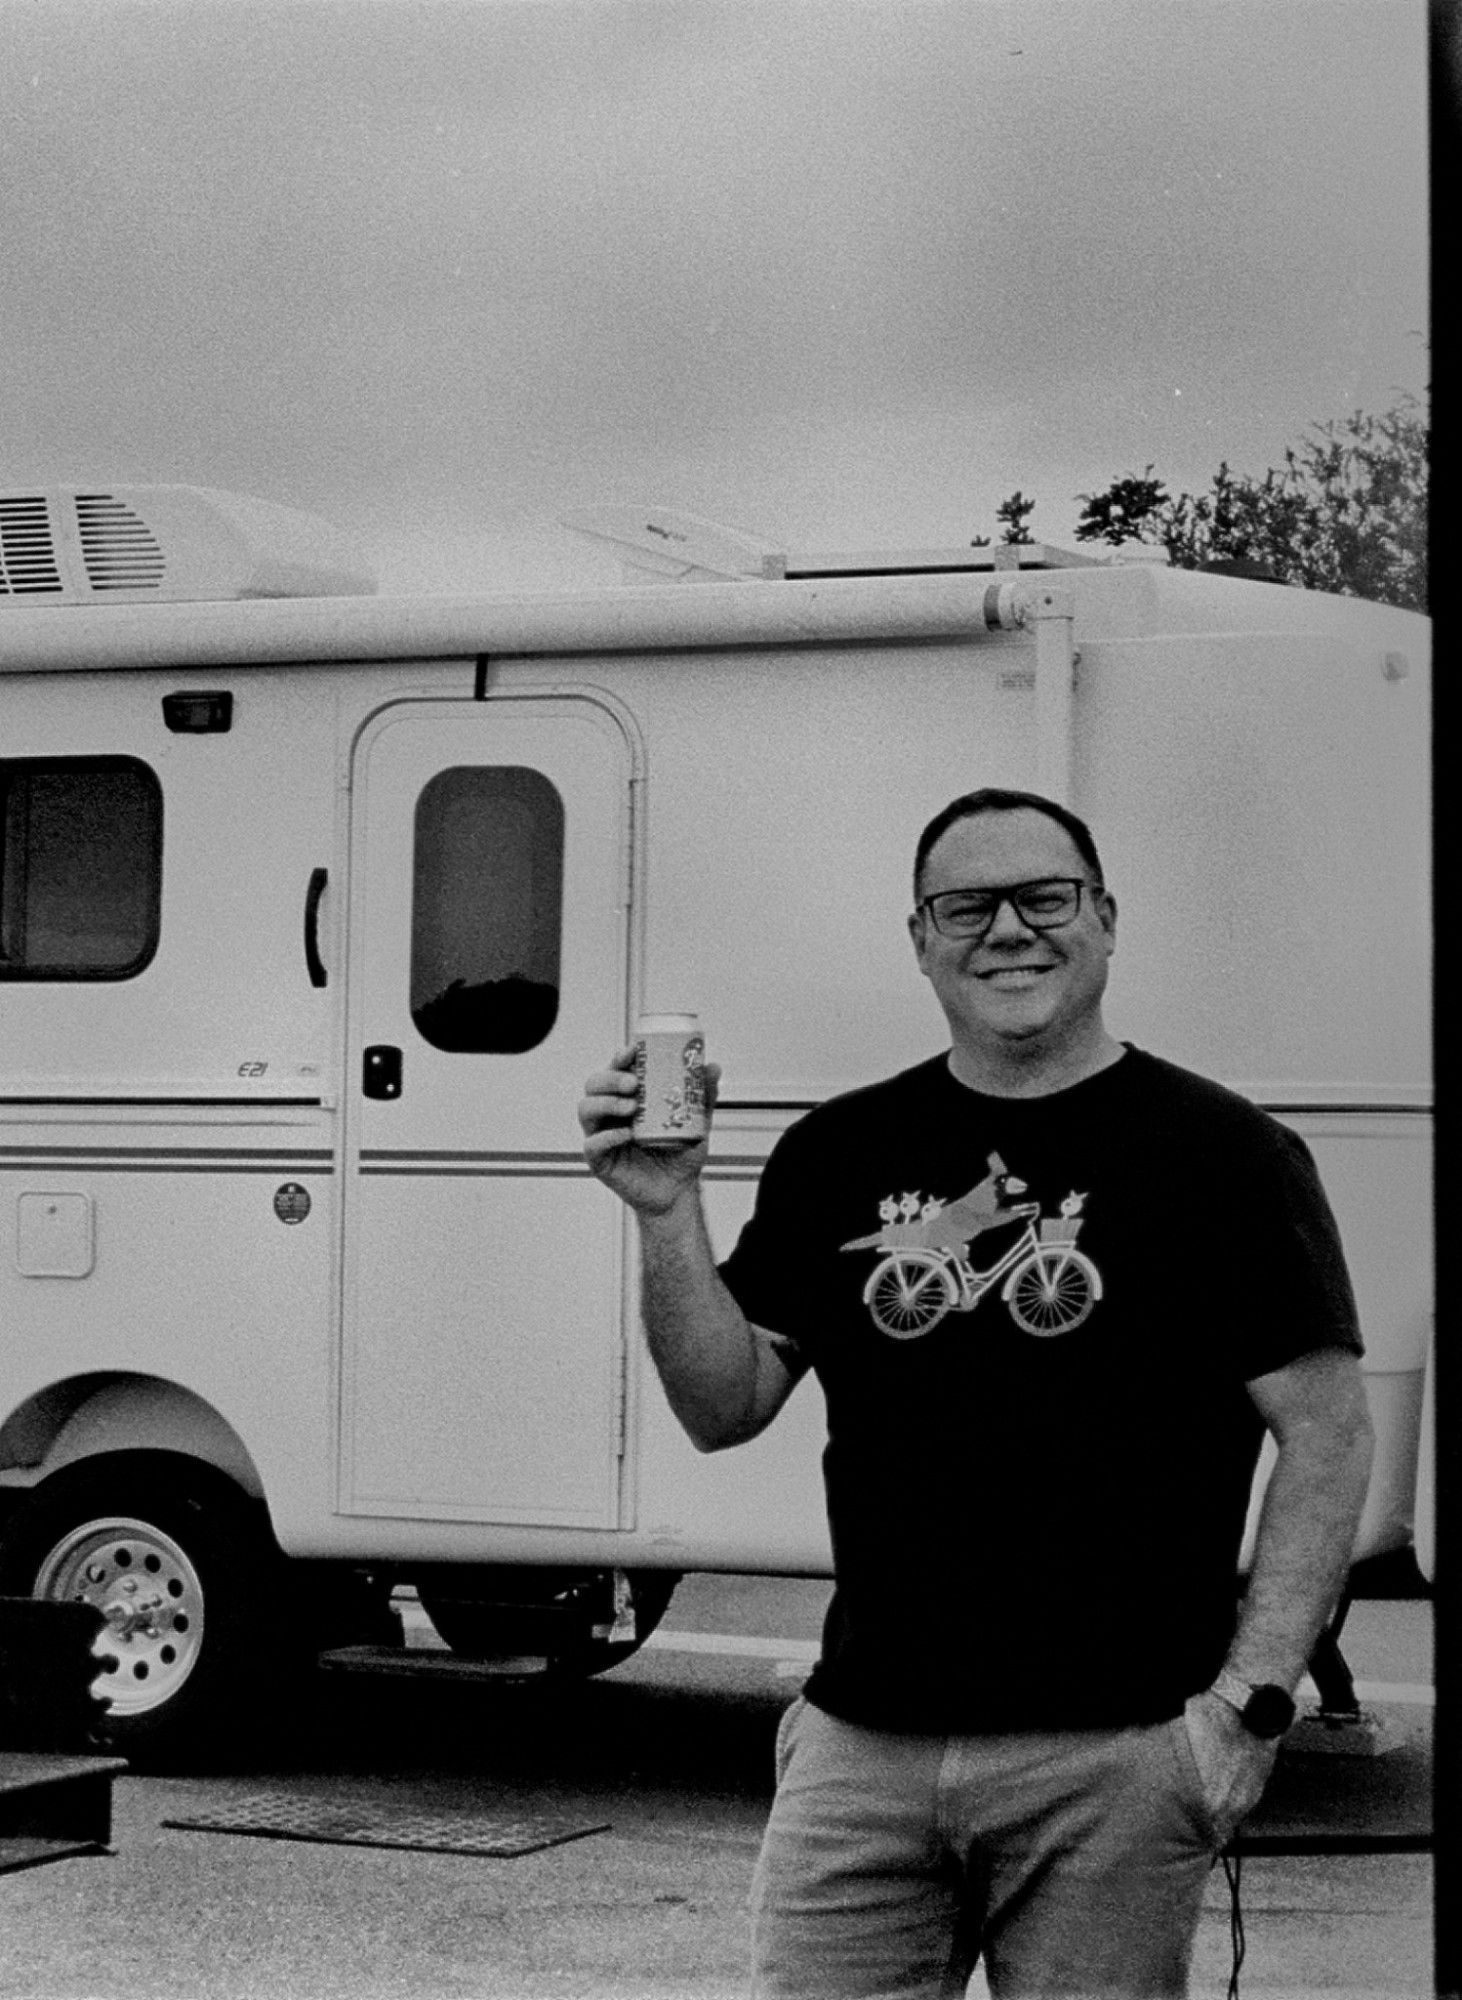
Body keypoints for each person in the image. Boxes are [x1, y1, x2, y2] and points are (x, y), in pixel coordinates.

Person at [578, 786, 1374, 2000]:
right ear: (920, 938)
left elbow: (1326, 1437)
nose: (1008, 929)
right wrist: (666, 1206)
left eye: (1043, 897)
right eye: (967, 905)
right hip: (862, 1753)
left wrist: (1245, 1711)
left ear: (1103, 918)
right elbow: (720, 1402)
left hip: (1115, 1758)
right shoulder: (837, 1151)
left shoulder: (1229, 1157)